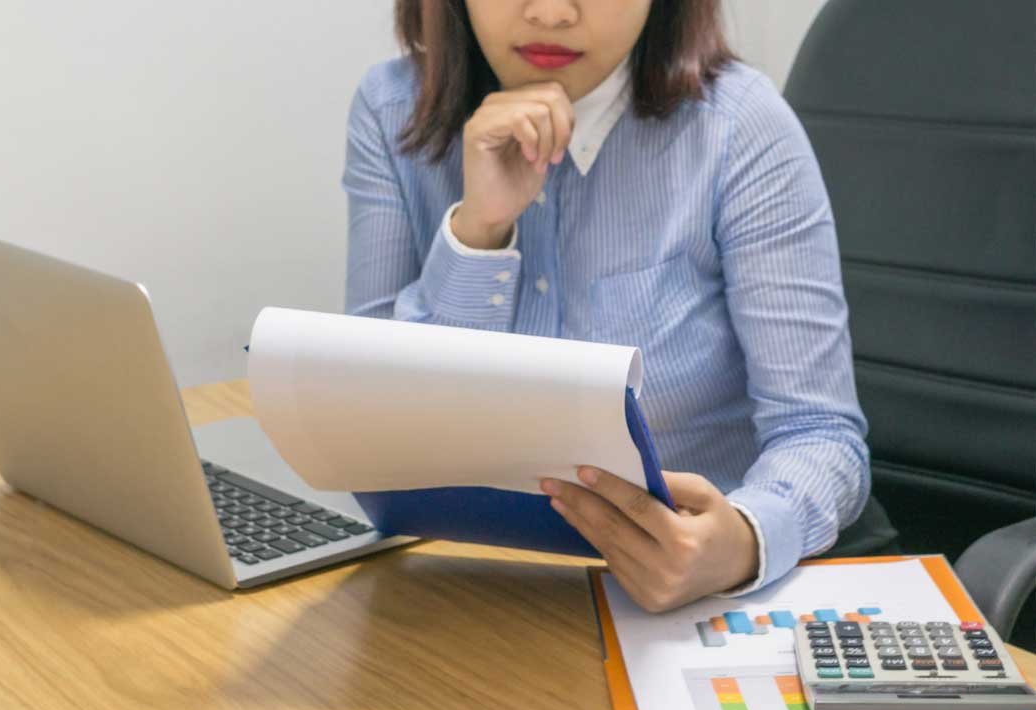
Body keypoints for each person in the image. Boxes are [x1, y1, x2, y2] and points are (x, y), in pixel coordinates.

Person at [341, 0, 873, 612]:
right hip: (472, 581)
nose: (550, 13)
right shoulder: (393, 108)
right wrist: (477, 231)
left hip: (696, 601)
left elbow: (820, 434)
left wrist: (743, 541)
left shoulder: (736, 124)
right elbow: (368, 425)